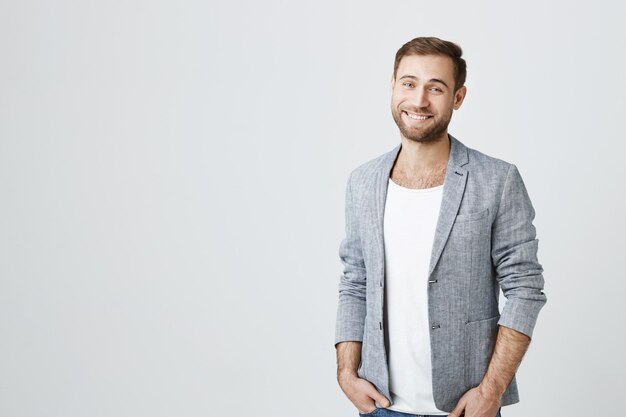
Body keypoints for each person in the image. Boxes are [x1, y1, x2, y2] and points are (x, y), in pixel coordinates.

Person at [334, 36, 547, 417]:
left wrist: (491, 390)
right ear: (393, 86)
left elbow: (525, 289)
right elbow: (355, 280)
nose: (419, 101)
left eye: (436, 88)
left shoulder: (497, 180)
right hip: (380, 405)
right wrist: (347, 373)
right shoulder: (362, 181)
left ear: (458, 98)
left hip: (466, 407)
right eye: (409, 83)